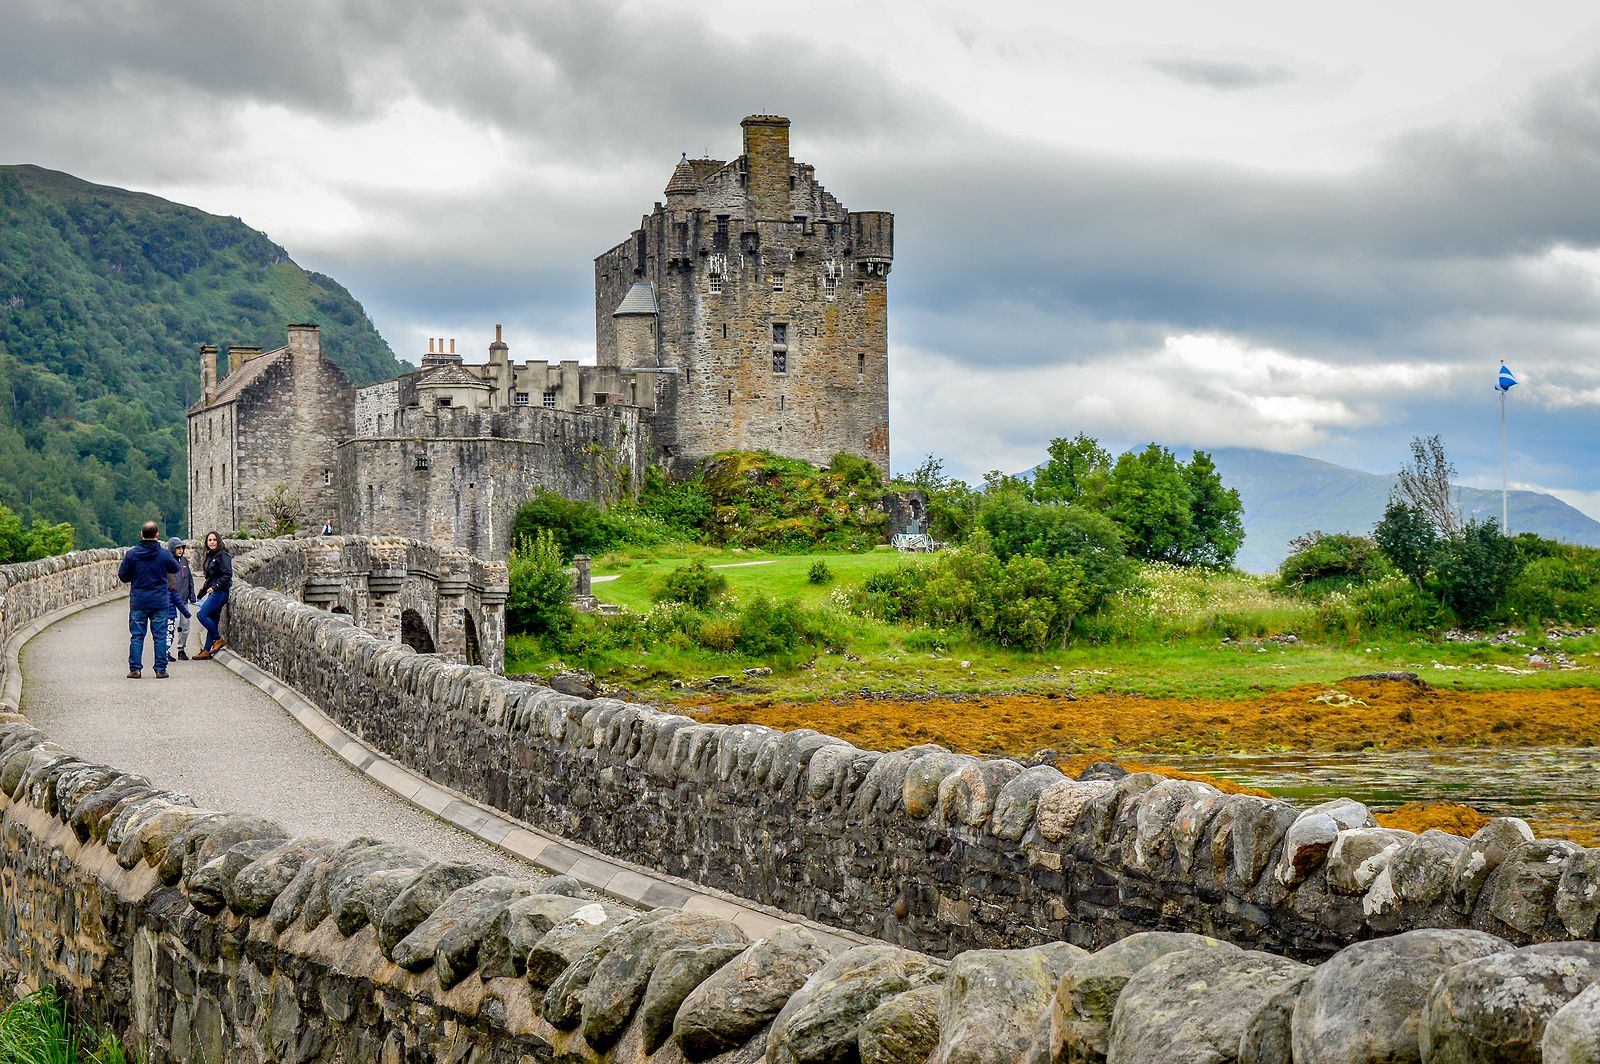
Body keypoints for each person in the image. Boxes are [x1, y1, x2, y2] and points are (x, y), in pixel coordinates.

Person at [118, 521, 178, 679]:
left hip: (139, 601)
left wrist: (135, 577)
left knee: (137, 635)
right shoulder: (164, 554)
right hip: (159, 601)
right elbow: (175, 568)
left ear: (141, 534)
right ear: (157, 534)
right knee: (160, 636)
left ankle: (135, 669)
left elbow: (123, 575)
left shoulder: (132, 554)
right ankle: (160, 669)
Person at [193, 531, 233, 660]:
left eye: (214, 540)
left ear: (219, 541)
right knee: (213, 620)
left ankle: (217, 639)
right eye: (209, 540)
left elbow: (227, 575)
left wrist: (215, 587)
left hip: (220, 592)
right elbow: (209, 578)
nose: (212, 542)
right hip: (213, 592)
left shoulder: (223, 555)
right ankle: (206, 650)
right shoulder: (210, 555)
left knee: (202, 614)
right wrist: (202, 592)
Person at [166, 537, 196, 660]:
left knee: (185, 625)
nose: (180, 550)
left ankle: (181, 649)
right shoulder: (167, 562)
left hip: (183, 599)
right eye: (177, 548)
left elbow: (189, 579)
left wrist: (192, 595)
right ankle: (166, 650)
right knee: (171, 627)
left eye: (181, 548)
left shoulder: (184, 561)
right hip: (171, 600)